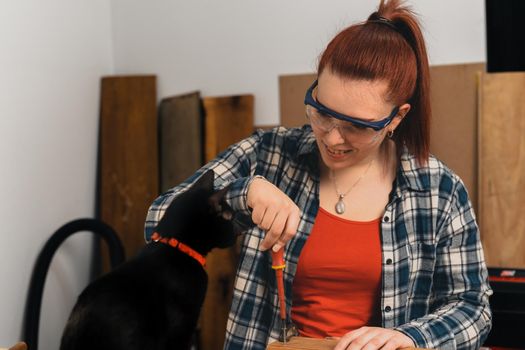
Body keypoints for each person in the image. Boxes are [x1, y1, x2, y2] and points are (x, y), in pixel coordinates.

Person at [145, 0, 492, 349]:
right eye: (322, 112)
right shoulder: (269, 154)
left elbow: (473, 308)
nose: (331, 137)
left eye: (356, 126)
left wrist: (408, 338)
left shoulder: (439, 190)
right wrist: (242, 195)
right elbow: (157, 222)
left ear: (396, 119)